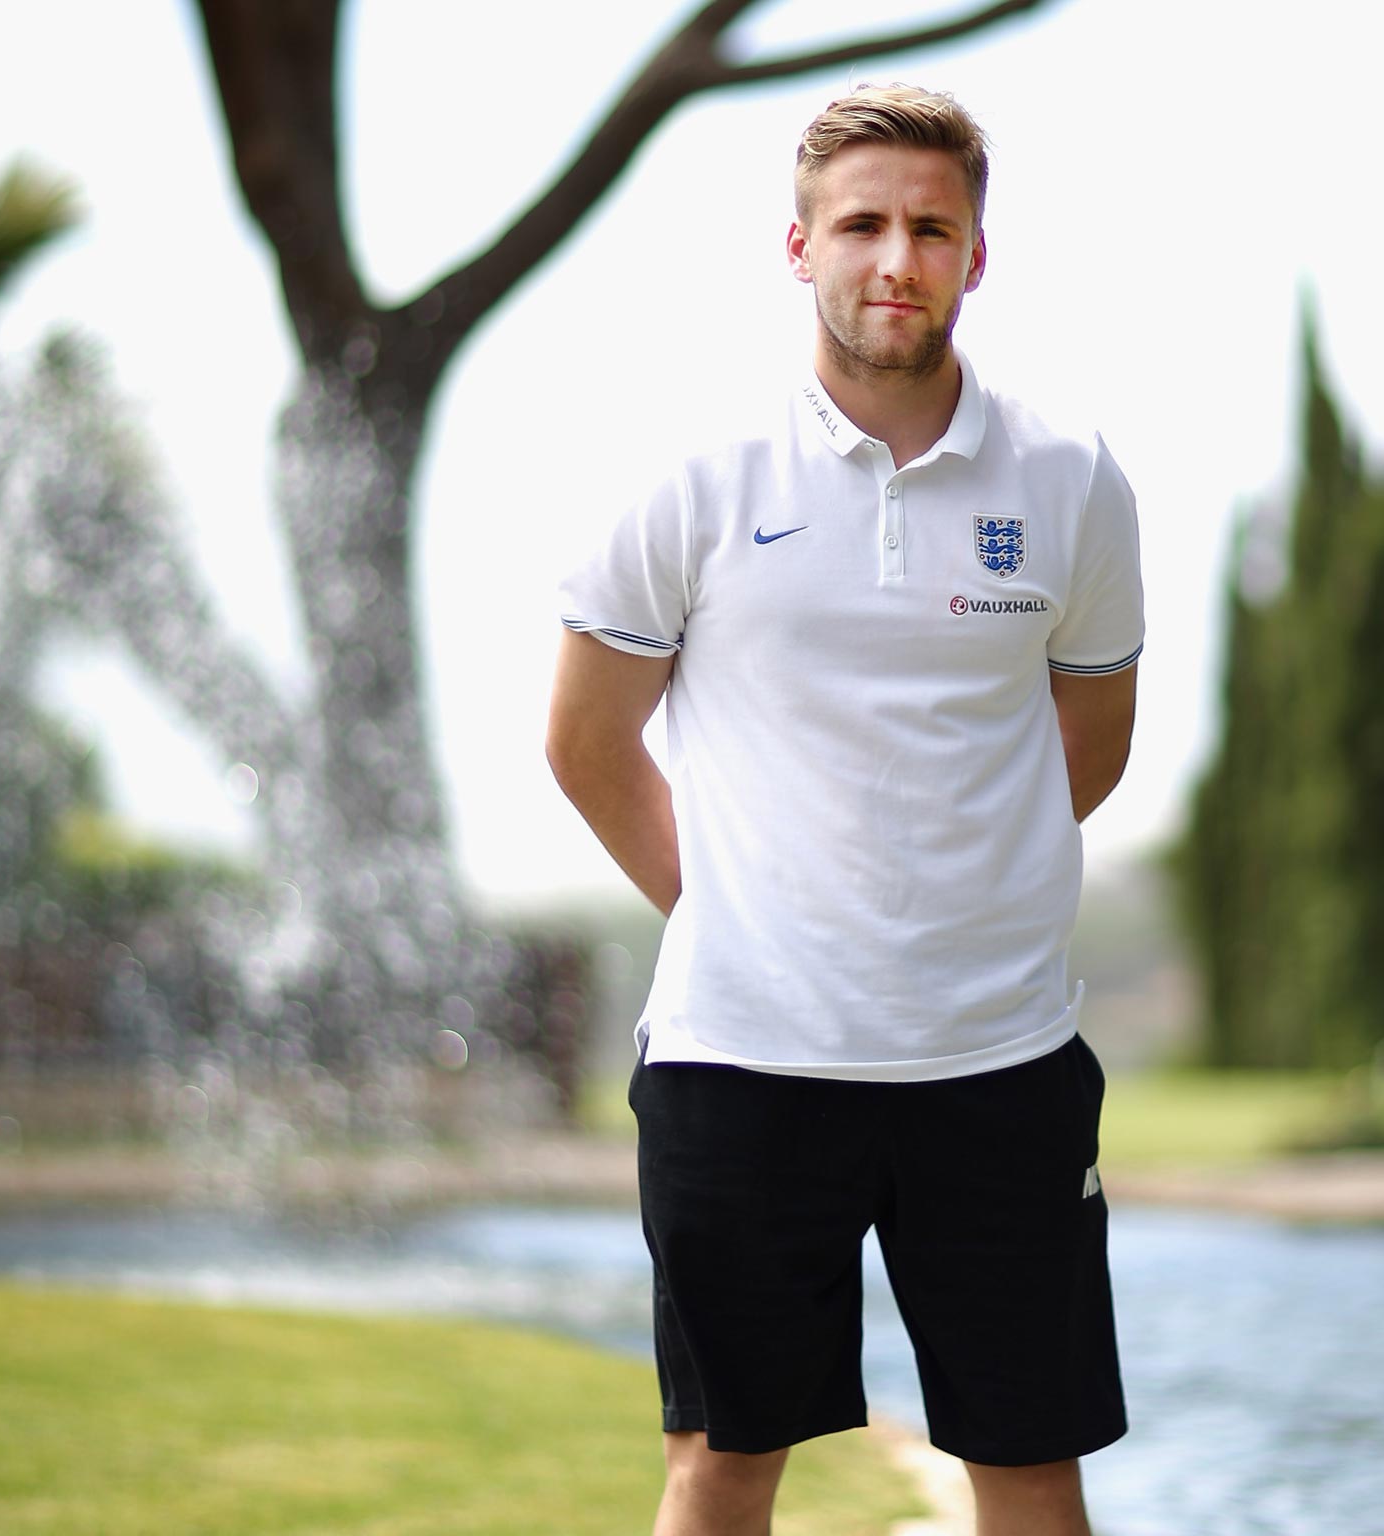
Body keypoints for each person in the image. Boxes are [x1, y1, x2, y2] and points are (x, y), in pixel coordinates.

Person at [545, 83, 1144, 1536]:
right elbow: (586, 743)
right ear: (799, 247)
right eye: (862, 224)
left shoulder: (1069, 484)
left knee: (1029, 1464)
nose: (896, 259)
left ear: (976, 257)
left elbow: (1089, 745)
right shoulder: (691, 474)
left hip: (998, 1063)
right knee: (724, 1461)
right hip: (742, 1060)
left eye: (931, 229)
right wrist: (738, 904)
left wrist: (949, 884)